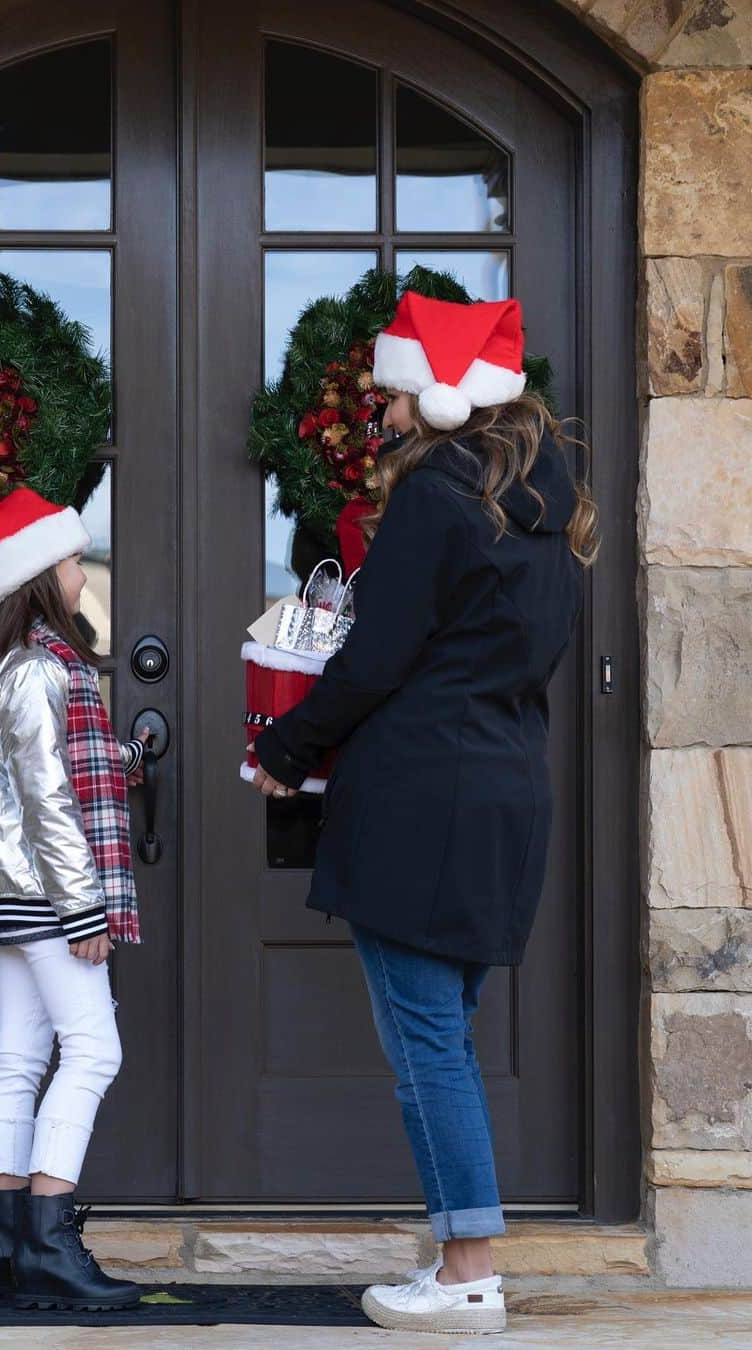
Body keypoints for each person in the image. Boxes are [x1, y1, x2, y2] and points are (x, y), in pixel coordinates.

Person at [249, 291, 597, 1335]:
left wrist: (284, 746)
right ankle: (462, 1257)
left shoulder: (437, 498)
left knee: (427, 1046)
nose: (380, 417)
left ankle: (466, 1273)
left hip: (418, 796)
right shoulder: (545, 505)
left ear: (441, 399)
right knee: (443, 1033)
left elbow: (378, 657)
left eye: (391, 397)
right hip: (503, 792)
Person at [0, 486, 147, 1311]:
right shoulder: (44, 667)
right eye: (76, 559)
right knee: (93, 1051)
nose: (84, 572)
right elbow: (48, 800)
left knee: (18, 1053)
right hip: (51, 898)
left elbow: (46, 775)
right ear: (43, 575)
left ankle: (4, 1238)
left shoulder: (9, 665)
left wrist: (124, 758)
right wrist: (85, 913)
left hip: (11, 893)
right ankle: (48, 1236)